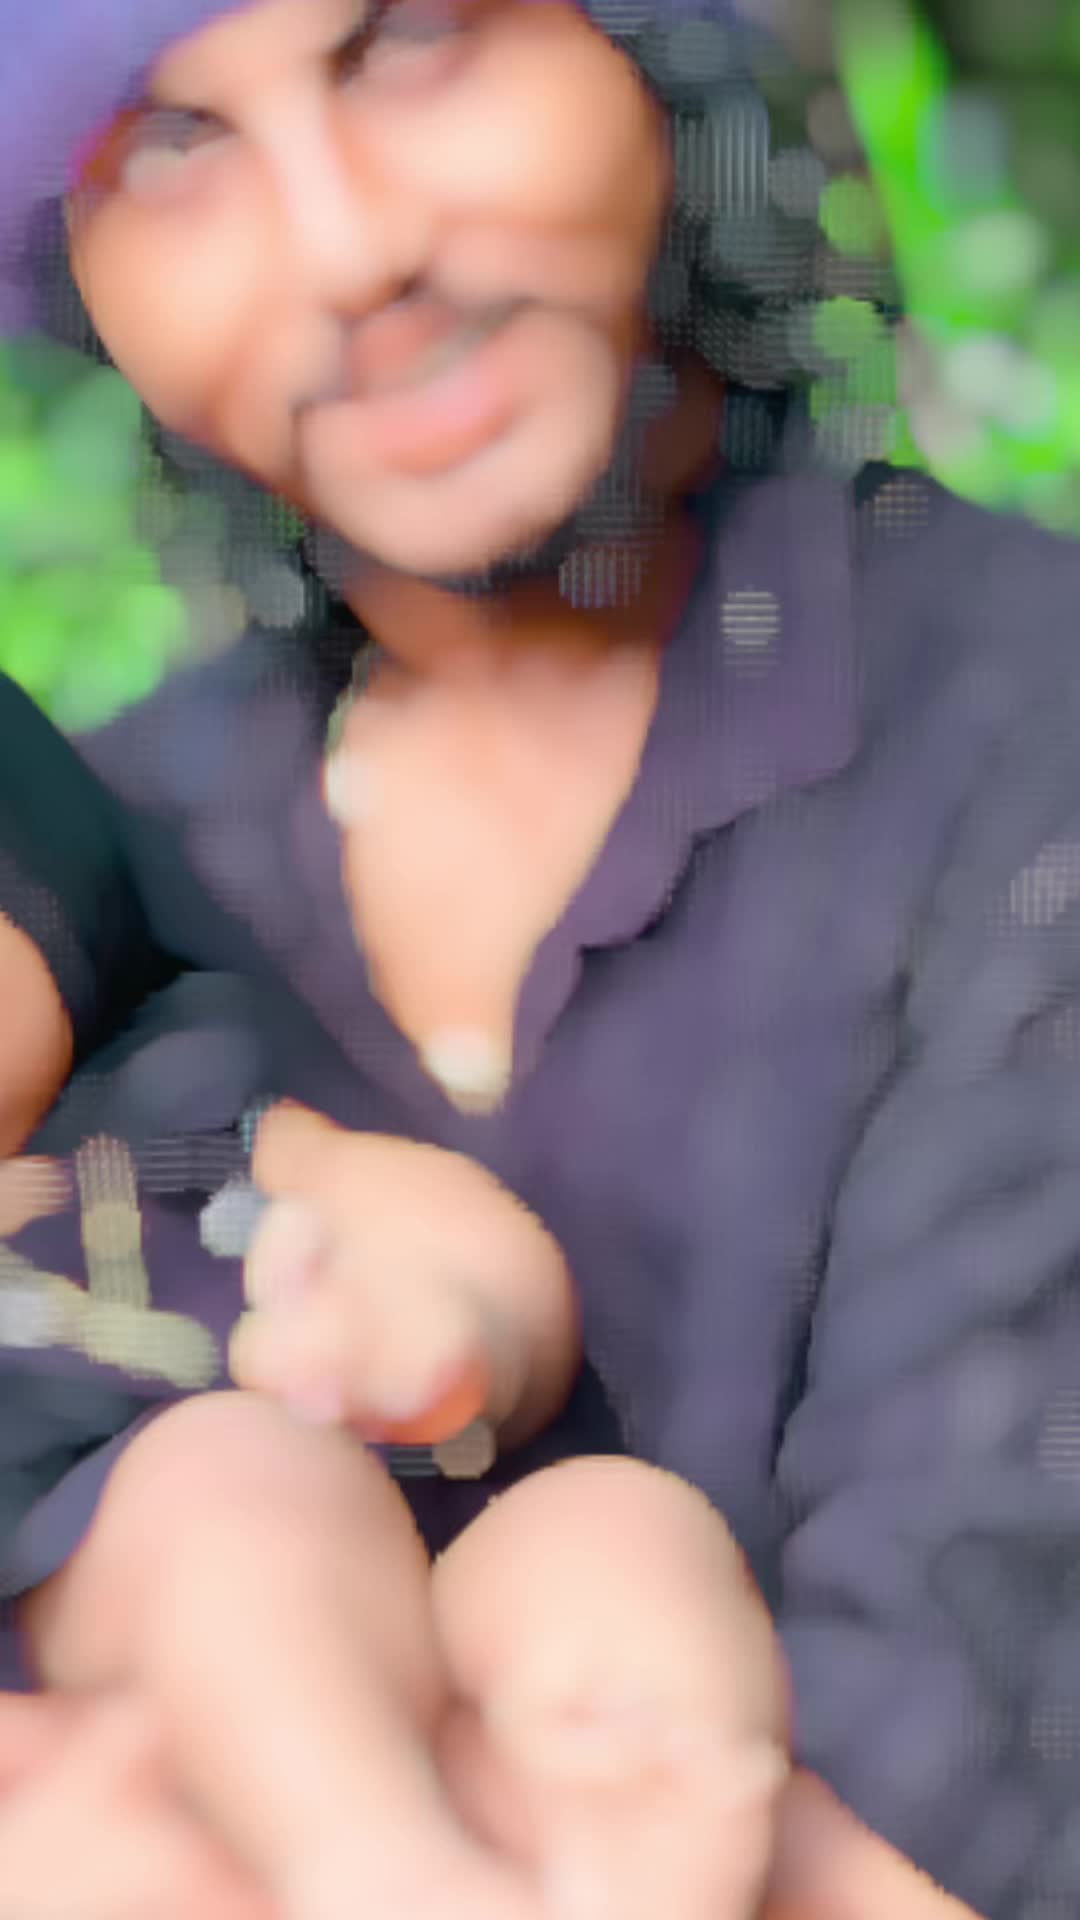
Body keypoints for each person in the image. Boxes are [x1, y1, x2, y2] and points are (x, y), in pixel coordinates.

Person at [0, 0, 1076, 1915]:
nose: (352, 249)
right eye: (169, 147)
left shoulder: (1024, 723)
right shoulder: (94, 860)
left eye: (415, 36)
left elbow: (959, 1839)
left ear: (651, 44)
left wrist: (173, 1811)